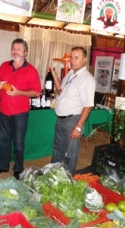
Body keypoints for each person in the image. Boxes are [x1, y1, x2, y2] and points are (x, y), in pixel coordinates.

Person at [0, 38, 41, 180]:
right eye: (13, 48)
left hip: (20, 114)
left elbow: (36, 92)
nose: (15, 51)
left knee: (18, 143)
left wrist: (19, 93)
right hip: (4, 111)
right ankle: (3, 166)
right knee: (3, 141)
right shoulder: (4, 65)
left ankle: (18, 169)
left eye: (18, 48)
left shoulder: (31, 70)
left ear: (25, 52)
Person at [50, 46, 95, 175]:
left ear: (84, 60)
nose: (72, 60)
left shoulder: (87, 79)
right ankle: (53, 176)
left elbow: (88, 105)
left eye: (76, 58)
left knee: (69, 154)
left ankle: (68, 180)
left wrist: (78, 127)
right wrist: (54, 75)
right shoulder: (70, 74)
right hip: (61, 119)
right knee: (58, 149)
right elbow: (61, 89)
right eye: (71, 57)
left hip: (73, 120)